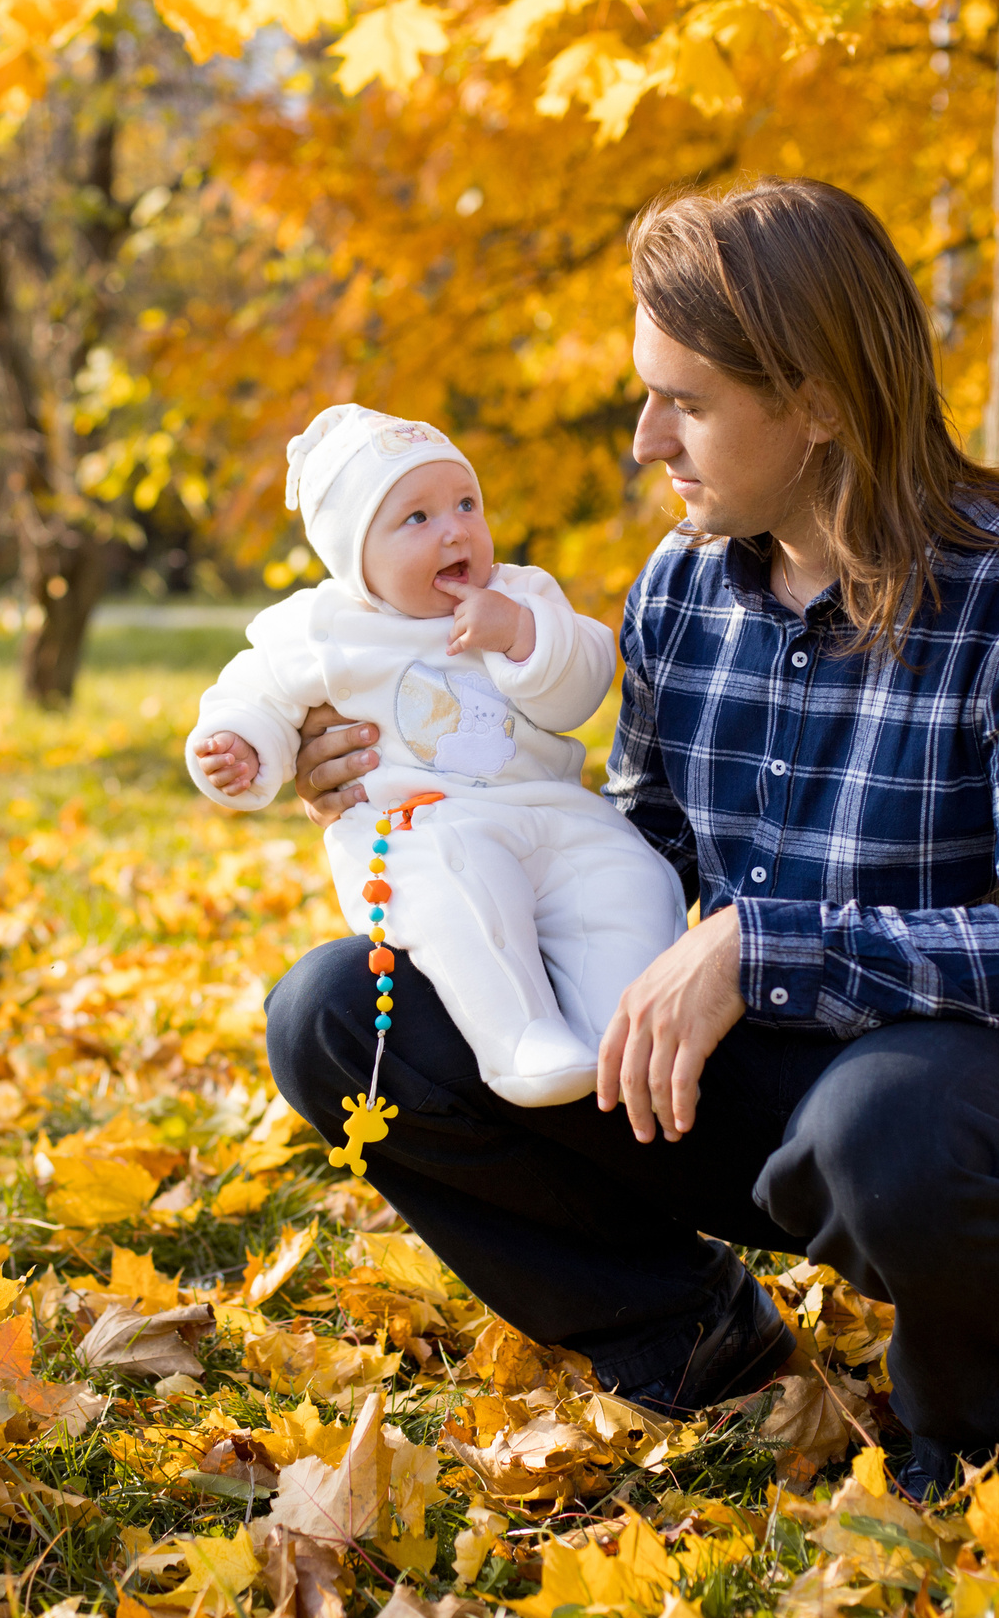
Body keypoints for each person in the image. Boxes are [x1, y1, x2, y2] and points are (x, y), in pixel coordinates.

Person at [261, 177, 999, 1502]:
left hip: (965, 1102)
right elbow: (632, 853)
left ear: (820, 402)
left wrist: (761, 948)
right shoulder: (685, 584)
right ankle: (709, 1353)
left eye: (683, 402)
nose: (645, 440)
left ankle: (971, 1449)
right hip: (736, 1083)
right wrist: (408, 782)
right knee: (344, 1012)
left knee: (891, 1120)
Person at [189, 403, 686, 1106]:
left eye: (465, 504)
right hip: (423, 827)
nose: (455, 529)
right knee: (461, 892)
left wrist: (520, 635)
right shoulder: (324, 628)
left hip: (549, 815)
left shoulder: (519, 594)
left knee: (623, 877)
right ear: (355, 559)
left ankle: (620, 1032)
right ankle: (522, 1038)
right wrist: (240, 747)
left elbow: (582, 681)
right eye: (417, 518)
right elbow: (255, 694)